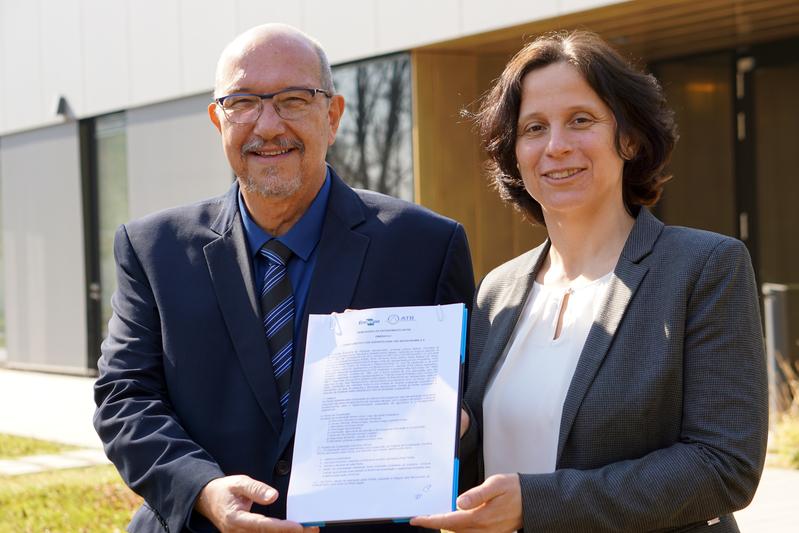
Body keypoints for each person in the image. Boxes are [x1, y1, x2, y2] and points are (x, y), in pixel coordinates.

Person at [93, 24, 475, 533]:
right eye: (244, 102)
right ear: (218, 120)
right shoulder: (152, 249)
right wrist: (201, 489)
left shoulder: (426, 246)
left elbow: (468, 403)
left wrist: (454, 423)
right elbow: (125, 397)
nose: (268, 126)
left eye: (294, 100)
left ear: (332, 115)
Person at [412, 30, 767, 533]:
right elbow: (490, 443)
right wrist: (456, 428)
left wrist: (535, 504)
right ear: (514, 154)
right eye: (534, 128)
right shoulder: (498, 290)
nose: (556, 146)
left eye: (580, 120)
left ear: (629, 138)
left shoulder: (704, 267)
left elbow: (724, 466)